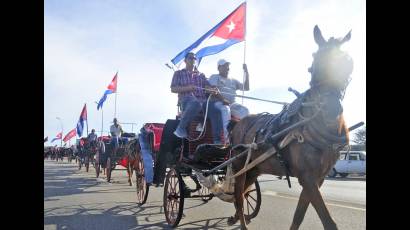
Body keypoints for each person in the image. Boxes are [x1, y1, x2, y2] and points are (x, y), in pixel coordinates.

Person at [170, 52, 223, 144]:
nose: (193, 60)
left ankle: (217, 140)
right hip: (186, 101)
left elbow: (207, 87)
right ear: (185, 61)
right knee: (195, 103)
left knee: (217, 110)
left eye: (195, 58)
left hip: (203, 102)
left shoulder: (201, 75)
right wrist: (189, 88)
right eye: (191, 58)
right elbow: (173, 89)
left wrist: (214, 90)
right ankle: (181, 128)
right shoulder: (178, 73)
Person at [208, 59, 250, 142]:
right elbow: (213, 90)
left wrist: (246, 72)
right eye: (224, 66)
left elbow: (246, 87)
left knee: (245, 110)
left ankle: (241, 135)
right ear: (219, 68)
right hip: (217, 103)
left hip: (232, 104)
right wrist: (223, 99)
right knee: (225, 109)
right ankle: (226, 139)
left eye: (227, 66)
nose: (227, 68)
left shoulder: (233, 80)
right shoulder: (214, 77)